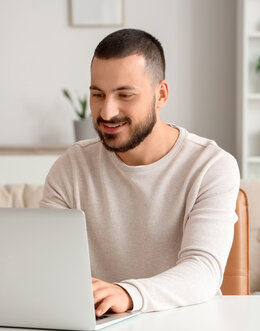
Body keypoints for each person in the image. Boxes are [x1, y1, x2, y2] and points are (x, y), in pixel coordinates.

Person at [40, 29, 240, 315]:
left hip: (187, 328)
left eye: (125, 95)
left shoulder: (211, 166)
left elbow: (203, 271)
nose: (107, 112)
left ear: (161, 95)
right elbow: (47, 264)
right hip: (97, 330)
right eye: (98, 95)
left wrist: (128, 294)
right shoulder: (71, 167)